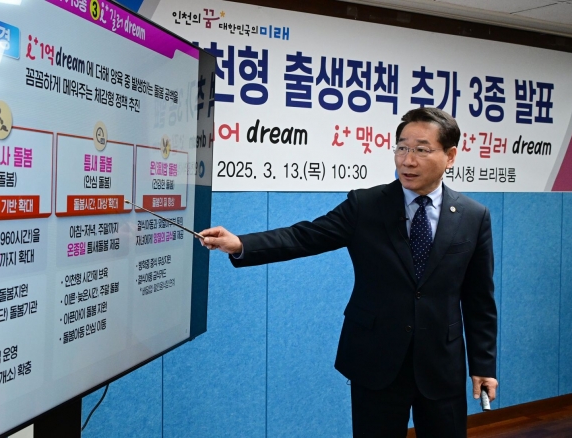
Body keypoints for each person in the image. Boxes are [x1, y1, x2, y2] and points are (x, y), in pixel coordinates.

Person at [199, 107, 498, 438]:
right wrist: (241, 243)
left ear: (450, 156)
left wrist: (483, 365)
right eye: (402, 147)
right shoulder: (366, 205)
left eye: (421, 150)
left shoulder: (473, 216)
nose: (407, 160)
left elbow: (479, 300)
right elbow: (304, 236)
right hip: (376, 359)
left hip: (441, 363)